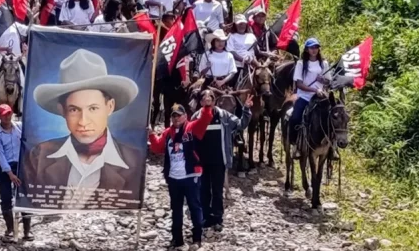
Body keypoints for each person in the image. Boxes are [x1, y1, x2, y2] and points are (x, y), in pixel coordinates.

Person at [25, 49, 144, 208]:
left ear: (109, 106)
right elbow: (31, 204)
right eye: (74, 110)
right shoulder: (39, 156)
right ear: (63, 111)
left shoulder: (134, 161)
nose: (83, 121)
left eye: (93, 109)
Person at [148, 103, 212, 248]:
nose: (176, 118)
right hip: (174, 178)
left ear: (185, 116)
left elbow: (205, 121)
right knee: (176, 209)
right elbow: (158, 147)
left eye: (179, 115)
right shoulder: (168, 133)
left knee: (195, 206)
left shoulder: (192, 128)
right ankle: (177, 239)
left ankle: (197, 238)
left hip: (191, 176)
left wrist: (207, 106)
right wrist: (151, 134)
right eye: (173, 116)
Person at [190, 89, 252, 232]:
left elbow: (241, 124)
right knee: (204, 190)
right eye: (204, 98)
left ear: (214, 100)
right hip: (202, 161)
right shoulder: (195, 117)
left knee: (217, 191)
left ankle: (218, 218)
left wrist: (247, 109)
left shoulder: (223, 115)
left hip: (219, 160)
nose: (207, 100)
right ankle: (206, 217)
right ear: (200, 102)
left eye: (210, 98)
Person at [0, 104, 32, 242]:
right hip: (5, 169)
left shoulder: (20, 127)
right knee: (6, 198)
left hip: (20, 166)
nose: (7, 117)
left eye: (9, 113)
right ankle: (10, 229)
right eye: (4, 114)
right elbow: (1, 156)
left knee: (23, 196)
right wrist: (10, 174)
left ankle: (27, 230)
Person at [289, 38, 331, 158]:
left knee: (333, 118)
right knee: (295, 117)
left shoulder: (324, 63)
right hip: (305, 97)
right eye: (311, 48)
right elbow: (299, 84)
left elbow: (328, 82)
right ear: (307, 50)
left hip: (321, 97)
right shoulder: (301, 64)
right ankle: (295, 144)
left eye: (316, 47)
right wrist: (314, 90)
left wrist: (322, 80)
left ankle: (332, 148)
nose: (314, 50)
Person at [227, 14, 258, 84]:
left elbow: (256, 51)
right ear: (235, 25)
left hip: (252, 64)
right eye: (240, 24)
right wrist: (243, 60)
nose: (242, 26)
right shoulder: (231, 36)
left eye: (244, 24)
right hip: (237, 65)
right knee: (233, 84)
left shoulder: (251, 36)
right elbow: (231, 52)